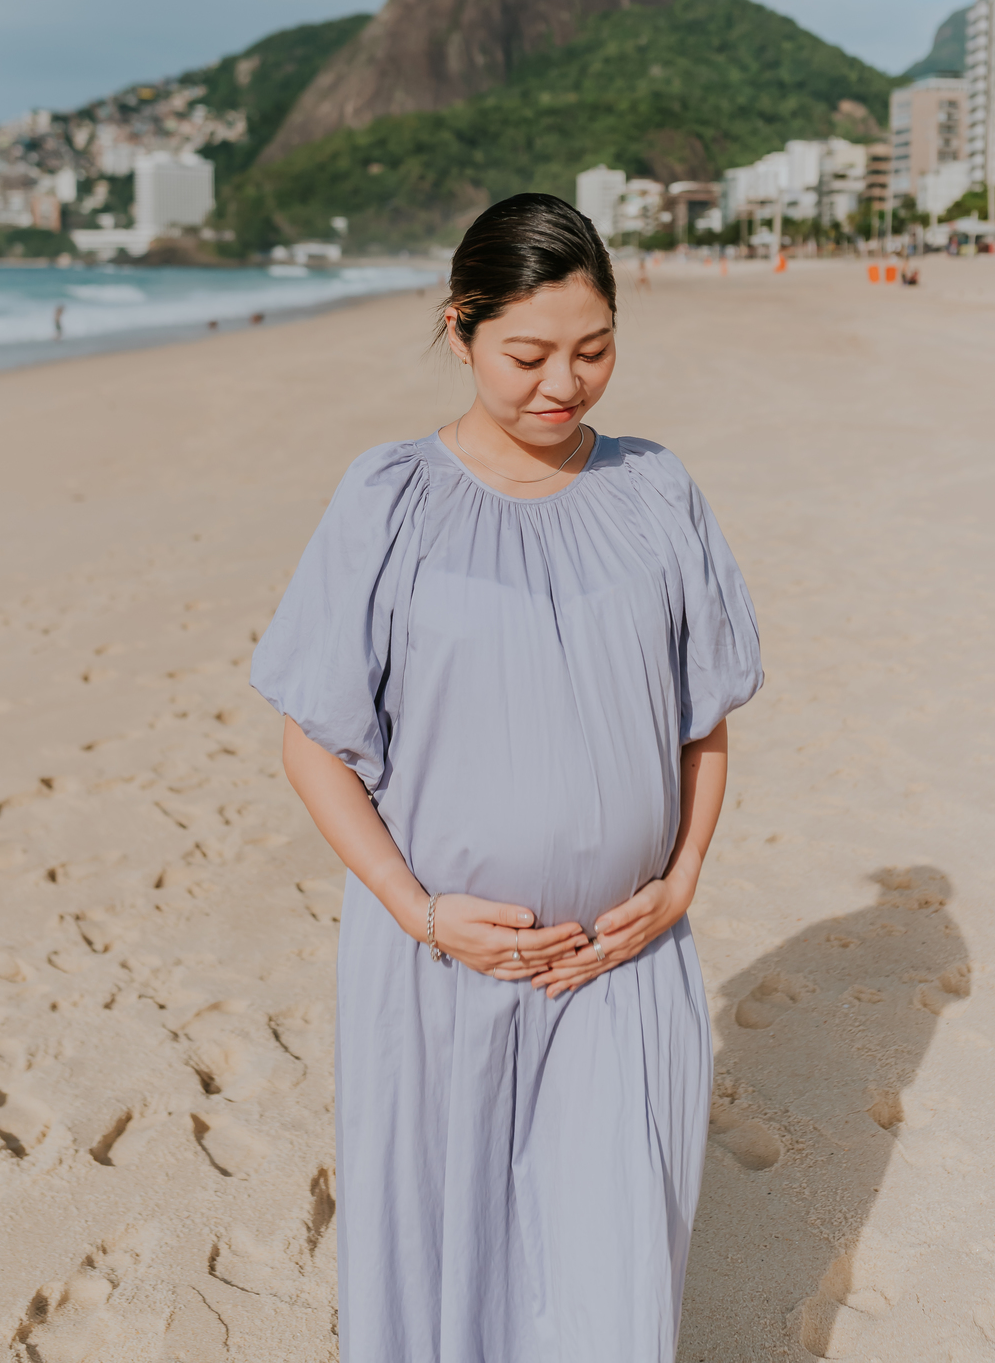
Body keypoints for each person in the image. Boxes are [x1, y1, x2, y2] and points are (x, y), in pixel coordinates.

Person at [251, 193, 762, 1363]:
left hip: (622, 963)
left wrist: (680, 882)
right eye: (528, 354)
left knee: (611, 1283)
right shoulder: (387, 497)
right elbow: (312, 741)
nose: (564, 385)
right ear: (460, 331)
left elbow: (706, 722)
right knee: (447, 1272)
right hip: (437, 967)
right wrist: (420, 910)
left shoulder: (657, 489)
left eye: (594, 351)